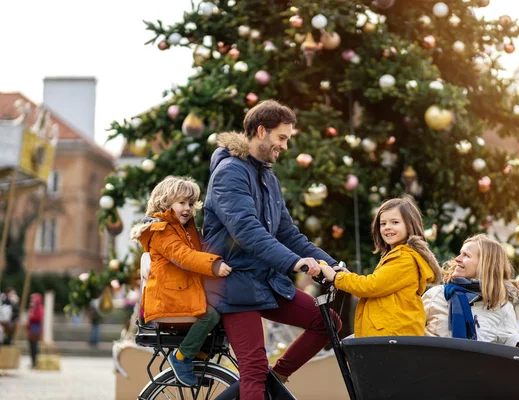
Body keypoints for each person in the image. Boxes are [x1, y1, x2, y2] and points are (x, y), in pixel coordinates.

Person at [202, 99, 342, 399]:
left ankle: (275, 378)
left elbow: (288, 233)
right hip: (235, 285)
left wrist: (335, 267)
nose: (286, 146)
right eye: (282, 138)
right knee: (253, 368)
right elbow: (247, 232)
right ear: (261, 131)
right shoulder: (230, 173)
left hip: (263, 282)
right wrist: (296, 264)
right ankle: (263, 380)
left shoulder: (267, 178)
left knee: (327, 322)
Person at [130, 176, 232, 386]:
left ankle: (198, 358)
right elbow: (184, 256)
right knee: (210, 314)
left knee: (222, 308)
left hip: (179, 294)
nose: (187, 208)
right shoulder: (161, 231)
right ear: (165, 203)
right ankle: (182, 357)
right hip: (168, 301)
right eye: (181, 203)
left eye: (191, 204)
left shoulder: (184, 229)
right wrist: (214, 265)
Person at [319, 196, 442, 337]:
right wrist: (345, 275)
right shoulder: (396, 255)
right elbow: (374, 290)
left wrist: (336, 277)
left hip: (394, 336)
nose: (387, 227)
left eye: (395, 222)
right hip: (391, 334)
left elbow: (371, 286)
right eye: (383, 224)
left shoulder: (404, 258)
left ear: (410, 225)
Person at [422, 234, 519, 350]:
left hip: (475, 367)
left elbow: (507, 338)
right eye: (460, 253)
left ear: (485, 265)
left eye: (466, 255)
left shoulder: (500, 305)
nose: (457, 259)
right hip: (432, 366)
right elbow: (413, 328)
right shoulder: (436, 295)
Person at [26, 293, 44, 368]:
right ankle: (32, 362)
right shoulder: (32, 308)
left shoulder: (39, 308)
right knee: (31, 346)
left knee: (35, 346)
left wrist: (32, 315)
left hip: (35, 328)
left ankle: (35, 362)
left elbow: (38, 317)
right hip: (31, 329)